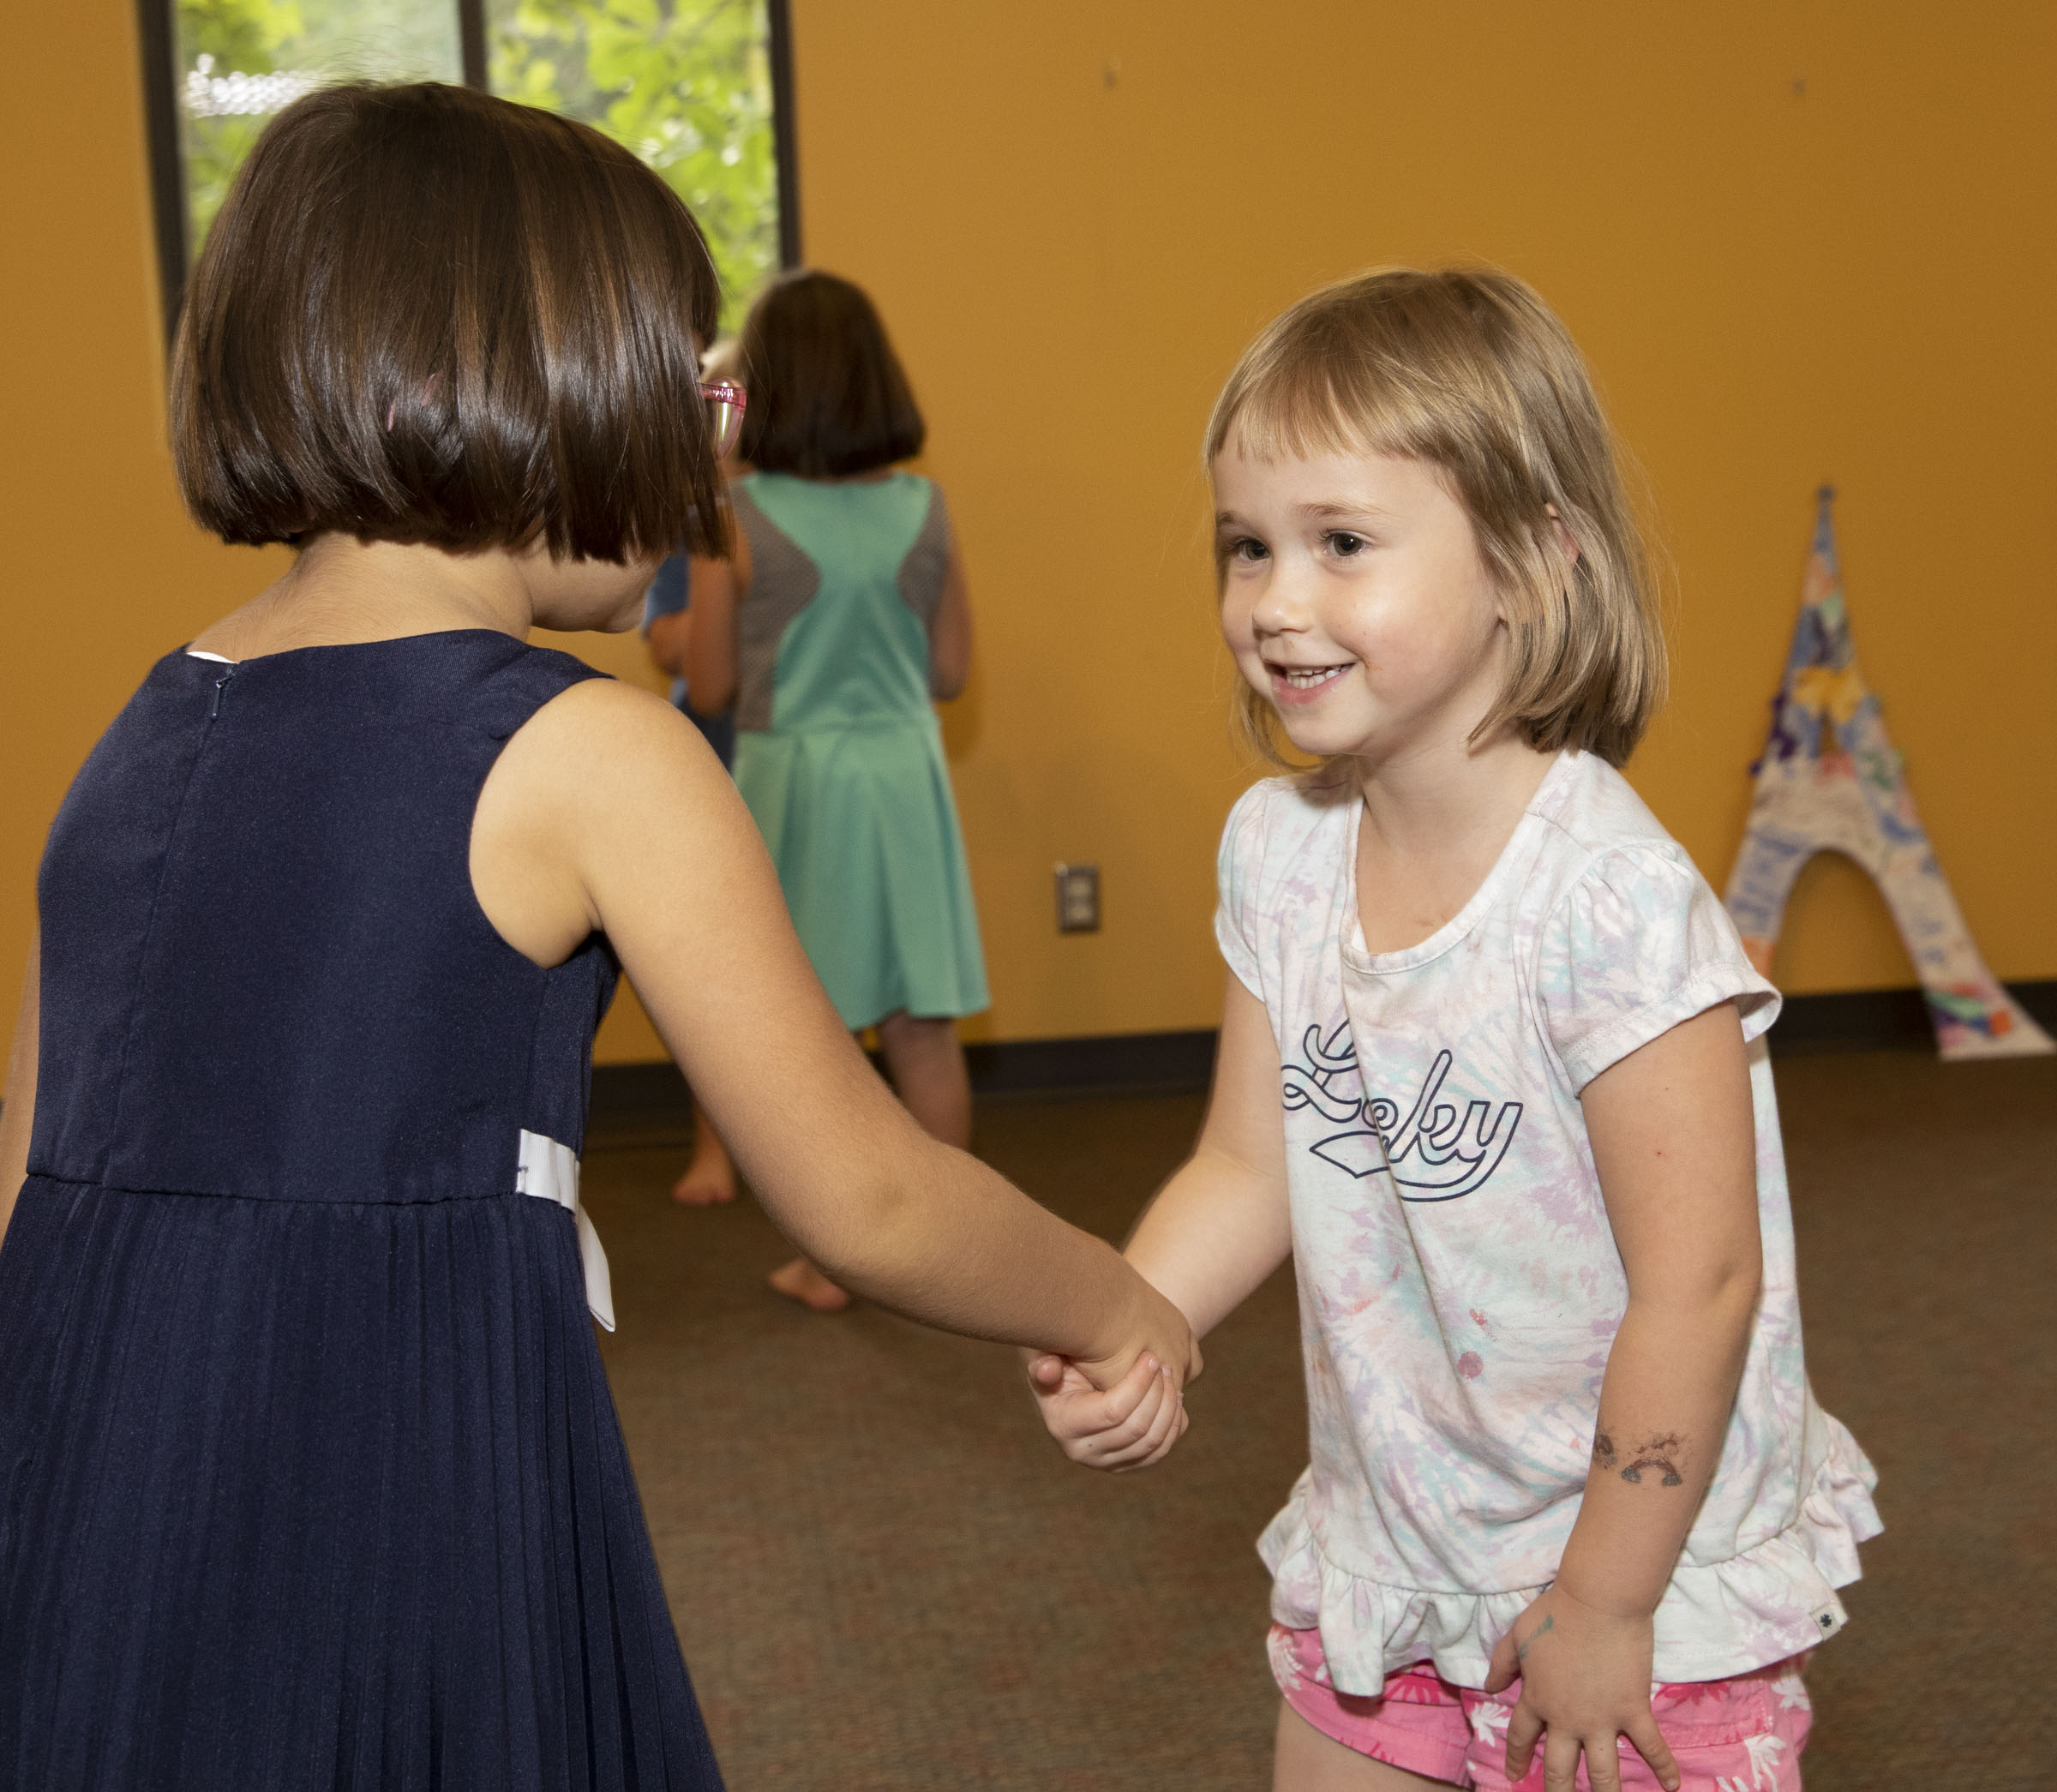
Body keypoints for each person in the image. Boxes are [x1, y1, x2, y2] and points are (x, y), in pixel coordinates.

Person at [0, 83, 1194, 1792]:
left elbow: (28, 1161)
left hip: (97, 1465)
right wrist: (1112, 1291)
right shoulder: (589, 743)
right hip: (400, 1461)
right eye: (694, 381)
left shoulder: (144, 721)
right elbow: (866, 1191)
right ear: (540, 383)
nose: (714, 438)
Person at [1031, 269, 1879, 1792]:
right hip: (1397, 1550)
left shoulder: (1607, 900)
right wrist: (1140, 1311)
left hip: (1640, 1579)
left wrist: (1609, 1601)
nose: (1276, 602)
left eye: (1341, 544)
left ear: (1529, 562)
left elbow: (1704, 1281)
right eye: (1249, 547)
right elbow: (1247, 1159)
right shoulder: (1277, 855)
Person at [687, 271, 987, 1314]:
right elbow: (950, 673)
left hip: (798, 784)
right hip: (904, 779)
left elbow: (714, 683)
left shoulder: (740, 513)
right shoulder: (924, 504)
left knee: (808, 1033)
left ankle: (834, 1259)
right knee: (921, 1026)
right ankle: (945, 1244)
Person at [642, 341, 745, 1208]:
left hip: (784, 753)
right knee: (712, 959)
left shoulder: (784, 519)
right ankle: (712, 1141)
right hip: (714, 752)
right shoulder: (693, 521)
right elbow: (671, 642)